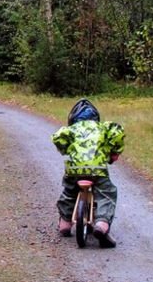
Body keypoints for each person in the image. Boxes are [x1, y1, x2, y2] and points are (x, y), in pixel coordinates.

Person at [52, 98, 124, 248]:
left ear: (72, 119)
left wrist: (66, 149)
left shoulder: (71, 130)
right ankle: (102, 223)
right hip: (97, 169)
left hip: (74, 170)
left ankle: (65, 223)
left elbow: (58, 137)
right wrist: (114, 152)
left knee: (69, 192)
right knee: (107, 193)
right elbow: (117, 132)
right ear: (96, 118)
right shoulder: (103, 127)